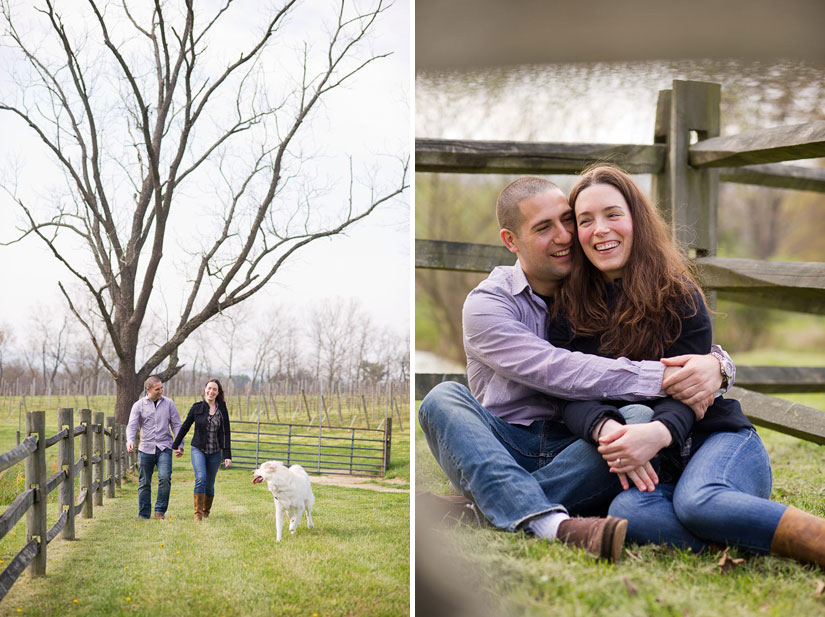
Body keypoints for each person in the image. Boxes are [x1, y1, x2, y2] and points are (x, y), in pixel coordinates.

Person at [418, 176, 733, 562]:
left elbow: (670, 337)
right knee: (441, 398)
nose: (565, 236)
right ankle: (555, 526)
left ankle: (481, 506)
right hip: (506, 444)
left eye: (568, 221)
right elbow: (558, 371)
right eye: (544, 228)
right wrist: (666, 376)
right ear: (510, 241)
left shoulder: (597, 290)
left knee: (635, 416)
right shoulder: (487, 305)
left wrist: (716, 363)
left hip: (582, 442)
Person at [551, 163, 825, 566]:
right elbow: (565, 393)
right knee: (628, 513)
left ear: (635, 220)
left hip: (717, 441)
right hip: (656, 470)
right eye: (585, 220)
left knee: (699, 500)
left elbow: (691, 394)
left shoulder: (677, 294)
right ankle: (735, 536)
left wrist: (658, 433)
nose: (601, 230)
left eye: (613, 214)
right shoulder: (567, 308)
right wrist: (605, 427)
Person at [172, 379, 232, 521]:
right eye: (209, 388)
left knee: (210, 485)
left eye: (214, 389)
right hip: (198, 448)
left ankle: (206, 511)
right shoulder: (197, 407)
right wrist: (175, 445)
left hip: (215, 452)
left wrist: (227, 455)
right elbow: (185, 426)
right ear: (205, 389)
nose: (211, 392)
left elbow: (226, 432)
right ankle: (197, 514)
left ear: (218, 393)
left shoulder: (222, 408)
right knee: (201, 478)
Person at [126, 375, 182, 520]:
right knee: (144, 482)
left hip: (165, 447)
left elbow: (176, 425)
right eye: (157, 389)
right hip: (146, 448)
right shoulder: (138, 405)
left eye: (162, 388)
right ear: (148, 389)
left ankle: (160, 511)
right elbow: (132, 425)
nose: (161, 391)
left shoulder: (169, 404)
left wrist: (179, 444)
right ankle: (144, 514)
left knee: (164, 478)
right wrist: (130, 440)